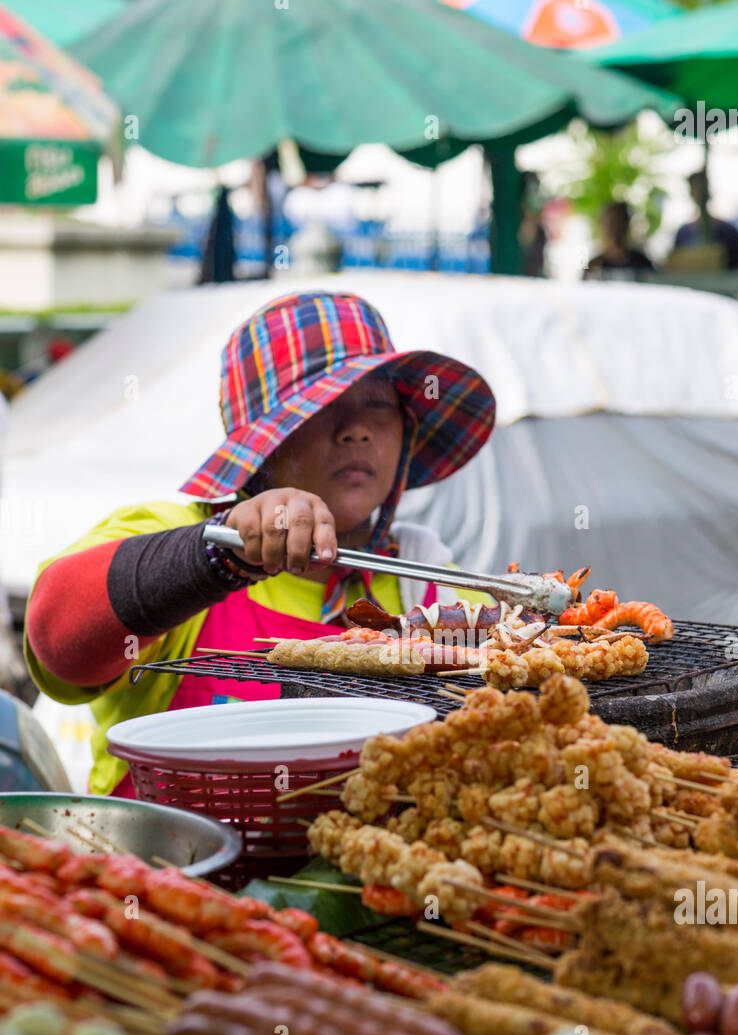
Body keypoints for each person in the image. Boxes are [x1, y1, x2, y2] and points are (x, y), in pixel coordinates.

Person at [24, 292, 495, 797]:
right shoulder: (173, 534)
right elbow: (58, 641)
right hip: (174, 871)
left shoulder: (435, 593)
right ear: (263, 438)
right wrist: (220, 554)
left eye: (379, 405)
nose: (357, 431)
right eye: (326, 404)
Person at [672, 171, 738, 272]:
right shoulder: (683, 233)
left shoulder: (728, 231)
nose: (699, 193)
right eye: (695, 189)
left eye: (702, 188)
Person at [585, 202, 654, 278]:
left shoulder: (642, 264)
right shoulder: (594, 266)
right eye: (609, 223)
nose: (614, 228)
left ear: (626, 224)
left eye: (618, 222)